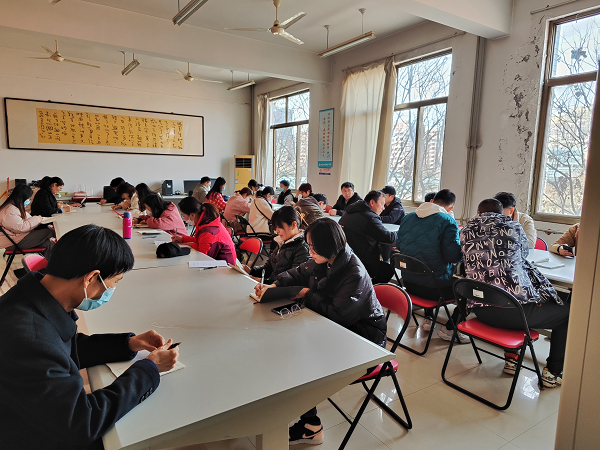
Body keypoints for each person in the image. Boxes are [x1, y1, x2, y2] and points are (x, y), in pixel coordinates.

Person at [0, 224, 179, 449]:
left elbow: (62, 348)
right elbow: (82, 422)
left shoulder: (33, 298)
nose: (111, 290)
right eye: (115, 282)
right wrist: (149, 369)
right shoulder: (31, 339)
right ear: (91, 278)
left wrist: (128, 344)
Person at [254, 218, 387, 446]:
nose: (310, 252)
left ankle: (311, 425)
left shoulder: (354, 273)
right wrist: (274, 286)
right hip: (338, 329)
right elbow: (298, 272)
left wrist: (306, 294)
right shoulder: (329, 258)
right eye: (310, 246)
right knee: (284, 343)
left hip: (364, 340)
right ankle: (292, 409)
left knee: (298, 357)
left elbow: (337, 314)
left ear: (329, 246)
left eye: (314, 247)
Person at [461, 198, 569, 388]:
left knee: (505, 296)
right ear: (502, 213)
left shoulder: (465, 231)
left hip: (481, 311)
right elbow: (523, 254)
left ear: (478, 213)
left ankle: (512, 358)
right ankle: (553, 372)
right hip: (514, 313)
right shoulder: (514, 227)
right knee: (567, 313)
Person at [395, 188, 466, 341]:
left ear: (432, 201)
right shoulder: (447, 221)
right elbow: (453, 256)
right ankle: (450, 328)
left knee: (428, 268)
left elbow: (399, 245)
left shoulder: (408, 217)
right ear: (451, 208)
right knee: (465, 289)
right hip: (434, 291)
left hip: (408, 285)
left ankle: (429, 318)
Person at [339, 190, 396, 283]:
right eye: (382, 204)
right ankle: (371, 288)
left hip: (345, 257)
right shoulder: (370, 217)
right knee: (388, 269)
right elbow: (388, 238)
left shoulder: (349, 212)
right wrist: (400, 232)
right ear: (372, 202)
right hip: (362, 261)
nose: (383, 208)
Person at [244, 206, 310, 283]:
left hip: (279, 289)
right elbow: (268, 268)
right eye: (275, 227)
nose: (276, 231)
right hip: (271, 286)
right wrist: (251, 271)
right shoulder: (283, 242)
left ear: (294, 225)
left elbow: (292, 280)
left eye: (280, 227)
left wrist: (264, 282)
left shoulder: (302, 248)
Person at [173, 199, 235, 265]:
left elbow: (203, 256)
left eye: (183, 216)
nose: (184, 219)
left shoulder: (209, 231)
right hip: (220, 261)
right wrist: (183, 239)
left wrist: (192, 244)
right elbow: (201, 240)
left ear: (192, 215)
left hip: (226, 267)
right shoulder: (207, 222)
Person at [0, 184, 55, 257]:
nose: (29, 201)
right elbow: (21, 227)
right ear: (22, 198)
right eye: (28, 199)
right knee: (50, 231)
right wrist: (37, 219)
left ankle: (50, 264)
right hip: (13, 242)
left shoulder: (14, 207)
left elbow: (27, 219)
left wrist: (38, 219)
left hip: (18, 238)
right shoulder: (9, 211)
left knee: (48, 243)